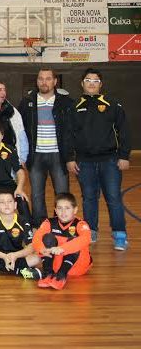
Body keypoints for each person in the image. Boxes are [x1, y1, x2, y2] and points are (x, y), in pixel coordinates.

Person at [65, 68, 131, 250]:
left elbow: (124, 131)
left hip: (110, 160)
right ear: (82, 83)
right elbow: (68, 135)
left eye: (95, 81)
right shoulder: (74, 106)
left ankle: (119, 235)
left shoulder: (113, 104)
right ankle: (90, 231)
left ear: (101, 84)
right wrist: (70, 158)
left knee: (114, 198)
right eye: (88, 80)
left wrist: (124, 156)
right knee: (89, 198)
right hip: (84, 162)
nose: (91, 83)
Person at [17, 68, 73, 227]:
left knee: (62, 194)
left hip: (58, 155)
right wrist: (22, 155)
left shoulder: (66, 102)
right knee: (36, 195)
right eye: (41, 78)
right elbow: (20, 130)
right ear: (37, 81)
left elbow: (72, 131)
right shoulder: (27, 102)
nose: (44, 82)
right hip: (36, 156)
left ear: (55, 81)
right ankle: (40, 225)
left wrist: (71, 156)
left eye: (48, 79)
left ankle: (61, 224)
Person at [33, 192, 92, 290]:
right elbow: (37, 237)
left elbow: (85, 239)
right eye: (59, 208)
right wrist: (41, 248)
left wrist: (63, 248)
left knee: (75, 241)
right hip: (56, 265)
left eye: (67, 208)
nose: (63, 212)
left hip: (77, 267)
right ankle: (48, 273)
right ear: (55, 210)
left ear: (75, 210)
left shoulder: (80, 224)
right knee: (47, 237)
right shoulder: (49, 222)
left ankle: (61, 276)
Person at [0, 192, 41, 279]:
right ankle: (20, 271)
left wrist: (15, 255)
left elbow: (31, 246)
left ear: (15, 205)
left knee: (37, 258)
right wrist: (4, 256)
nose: (6, 204)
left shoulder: (23, 221)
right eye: (2, 202)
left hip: (16, 256)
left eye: (10, 201)